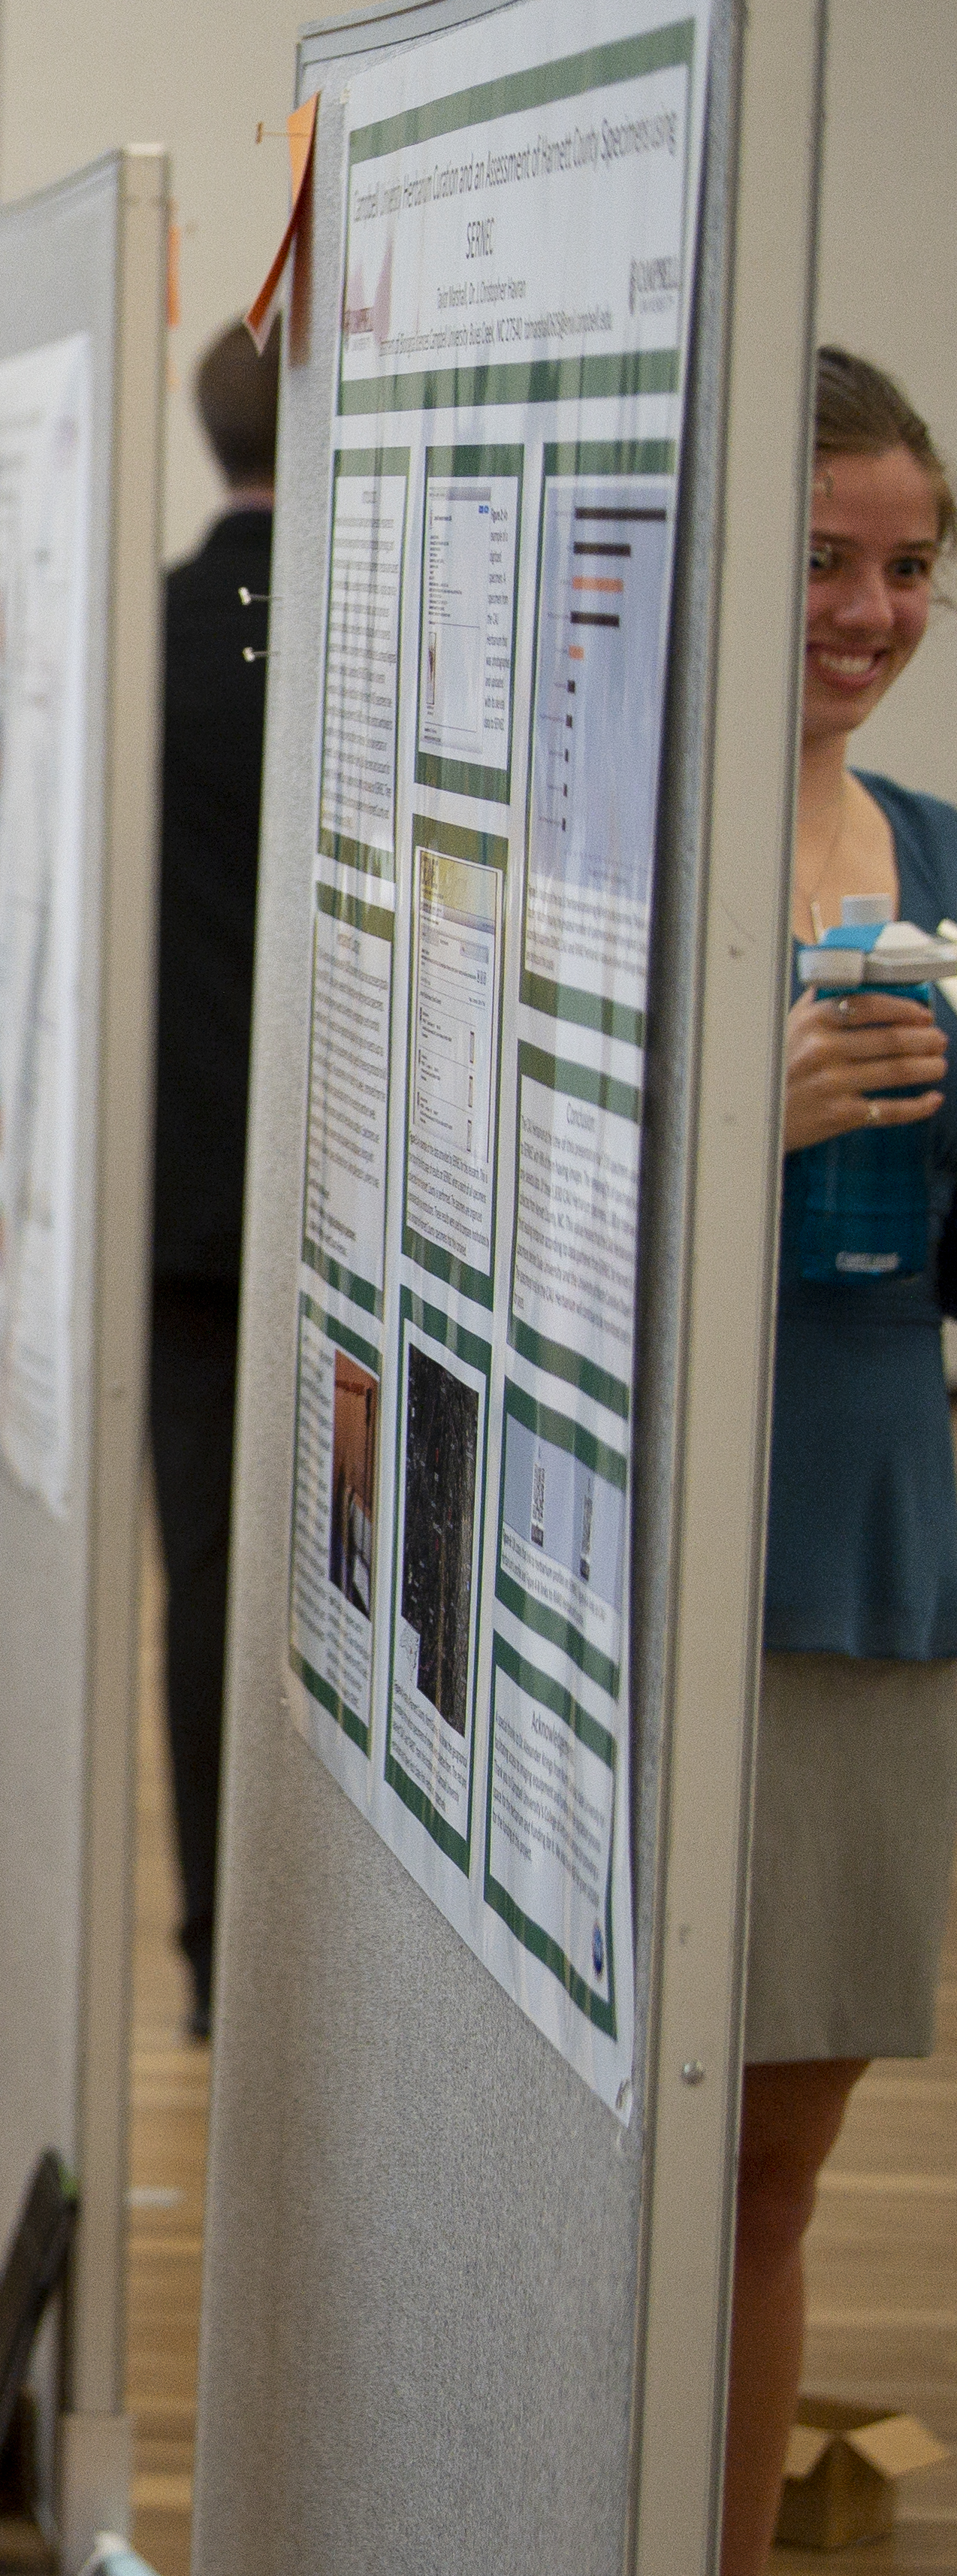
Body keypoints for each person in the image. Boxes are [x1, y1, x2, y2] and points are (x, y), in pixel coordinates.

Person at [725, 344, 957, 2576]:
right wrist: (733, 1128)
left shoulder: (942, 865)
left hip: (863, 1556)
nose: (869, 609)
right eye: (818, 556)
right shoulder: (597, 851)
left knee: (769, 2176)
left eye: (906, 567)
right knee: (590, 2152)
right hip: (609, 1559)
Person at [149, 320, 276, 2038]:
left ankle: (212, 1967)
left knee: (211, 1586)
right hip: (383, 1211)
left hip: (181, 1199)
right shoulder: (394, 639)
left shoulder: (145, 635)